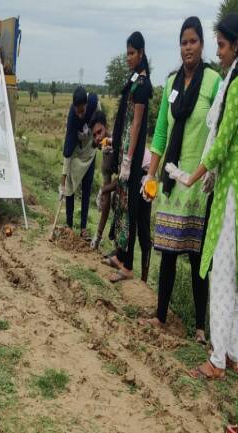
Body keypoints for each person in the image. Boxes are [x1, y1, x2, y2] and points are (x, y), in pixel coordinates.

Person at [165, 13, 238, 379]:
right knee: (235, 279)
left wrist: (193, 176)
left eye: (221, 46)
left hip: (231, 195)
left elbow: (221, 144)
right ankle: (234, 354)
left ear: (235, 44)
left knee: (222, 277)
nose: (218, 53)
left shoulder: (236, 87)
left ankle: (217, 360)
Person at [141, 17, 222, 345]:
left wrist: (214, 170)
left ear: (202, 45)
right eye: (183, 42)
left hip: (200, 185)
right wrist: (151, 173)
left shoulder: (214, 82)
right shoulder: (172, 82)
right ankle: (160, 316)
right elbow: (161, 132)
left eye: (193, 41)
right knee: (170, 252)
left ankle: (200, 328)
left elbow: (219, 130)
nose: (188, 47)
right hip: (173, 182)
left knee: (198, 256)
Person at [104, 31, 153, 283]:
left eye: (132, 53)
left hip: (132, 161)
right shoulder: (133, 80)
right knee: (121, 206)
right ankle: (121, 256)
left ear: (141, 54)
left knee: (131, 210)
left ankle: (129, 266)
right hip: (125, 153)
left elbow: (135, 126)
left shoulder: (143, 86)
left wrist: (128, 158)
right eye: (127, 53)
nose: (128, 57)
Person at [59, 87, 100, 238]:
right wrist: (62, 181)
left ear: (87, 105)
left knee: (87, 188)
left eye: (83, 111)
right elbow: (68, 150)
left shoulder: (95, 104)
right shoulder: (72, 118)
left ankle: (83, 228)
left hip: (90, 153)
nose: (80, 114)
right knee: (70, 187)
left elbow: (100, 127)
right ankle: (69, 225)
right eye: (78, 111)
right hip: (76, 154)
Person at [88, 111, 117, 250]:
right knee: (112, 199)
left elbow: (125, 179)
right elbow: (106, 197)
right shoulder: (105, 160)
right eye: (94, 135)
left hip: (144, 175)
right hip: (127, 179)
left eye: (100, 132)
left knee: (120, 200)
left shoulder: (118, 141)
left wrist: (102, 190)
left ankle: (122, 254)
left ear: (107, 127)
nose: (98, 138)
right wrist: (97, 236)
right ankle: (107, 243)